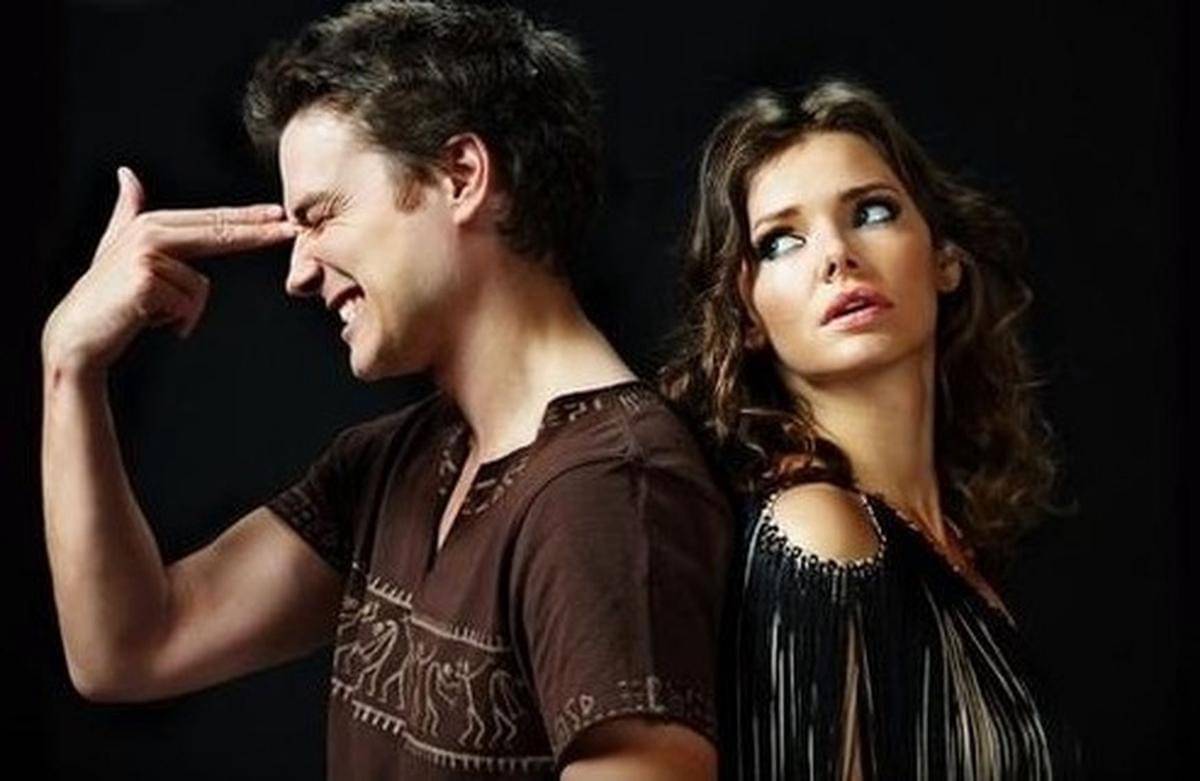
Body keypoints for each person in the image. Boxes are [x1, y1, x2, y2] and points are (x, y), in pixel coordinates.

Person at [40, 1, 731, 778]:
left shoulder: (610, 491)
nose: (298, 273)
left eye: (321, 216)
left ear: (460, 176)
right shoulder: (397, 463)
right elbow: (129, 647)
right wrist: (71, 367)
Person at [659, 78, 1083, 779]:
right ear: (748, 316)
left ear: (945, 258)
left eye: (872, 211)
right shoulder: (821, 532)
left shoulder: (946, 542)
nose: (836, 255)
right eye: (781, 242)